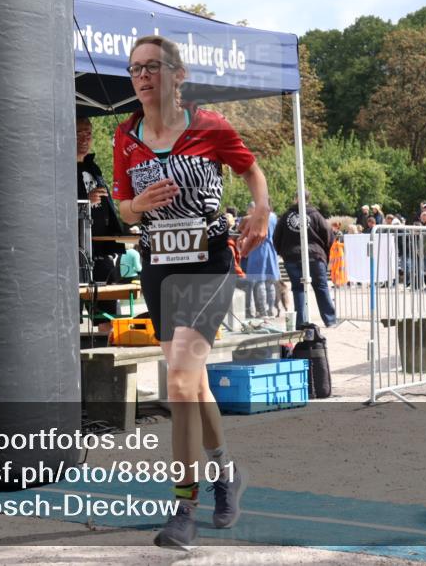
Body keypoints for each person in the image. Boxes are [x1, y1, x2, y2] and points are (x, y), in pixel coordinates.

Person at [113, 35, 268, 548]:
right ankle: (228, 474)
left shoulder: (209, 127)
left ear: (178, 75)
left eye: (152, 67)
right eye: (135, 69)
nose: (142, 76)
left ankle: (184, 508)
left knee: (178, 380)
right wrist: (140, 203)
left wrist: (261, 210)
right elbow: (123, 209)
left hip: (209, 262)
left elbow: (252, 171)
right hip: (159, 268)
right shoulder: (125, 136)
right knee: (193, 384)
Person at [77, 116, 126, 332]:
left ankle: (110, 348)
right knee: (72, 311)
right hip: (75, 253)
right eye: (79, 133)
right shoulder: (58, 167)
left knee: (109, 312)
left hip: (101, 250)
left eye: (88, 133)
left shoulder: (94, 167)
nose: (85, 138)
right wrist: (84, 200)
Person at [273, 192, 337, 328]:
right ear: (309, 199)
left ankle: (300, 322)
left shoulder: (286, 216)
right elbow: (328, 234)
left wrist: (283, 253)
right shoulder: (315, 215)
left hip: (292, 256)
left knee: (298, 289)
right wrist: (323, 252)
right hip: (314, 255)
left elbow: (276, 237)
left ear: (295, 198)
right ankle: (330, 320)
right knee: (321, 287)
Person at [243, 201, 280, 318]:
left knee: (260, 281)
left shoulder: (257, 217)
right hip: (271, 249)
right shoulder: (274, 217)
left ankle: (263, 311)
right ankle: (271, 310)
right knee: (270, 282)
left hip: (258, 248)